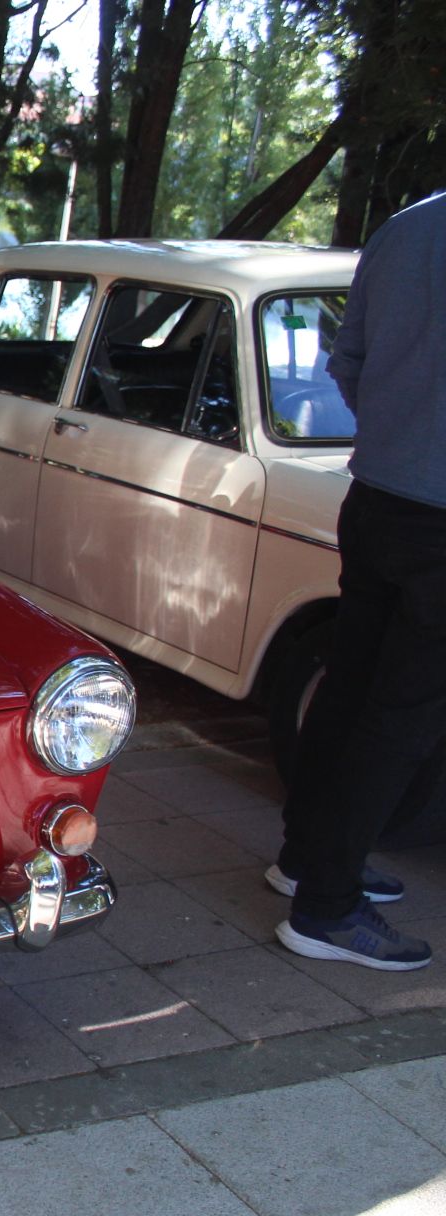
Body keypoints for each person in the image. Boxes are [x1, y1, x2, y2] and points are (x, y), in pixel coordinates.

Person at [271, 191, 445, 971]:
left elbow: (347, 363)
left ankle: (306, 860)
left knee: (350, 691)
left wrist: (398, 431)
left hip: (377, 498)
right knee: (399, 717)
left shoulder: (408, 226)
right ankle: (327, 907)